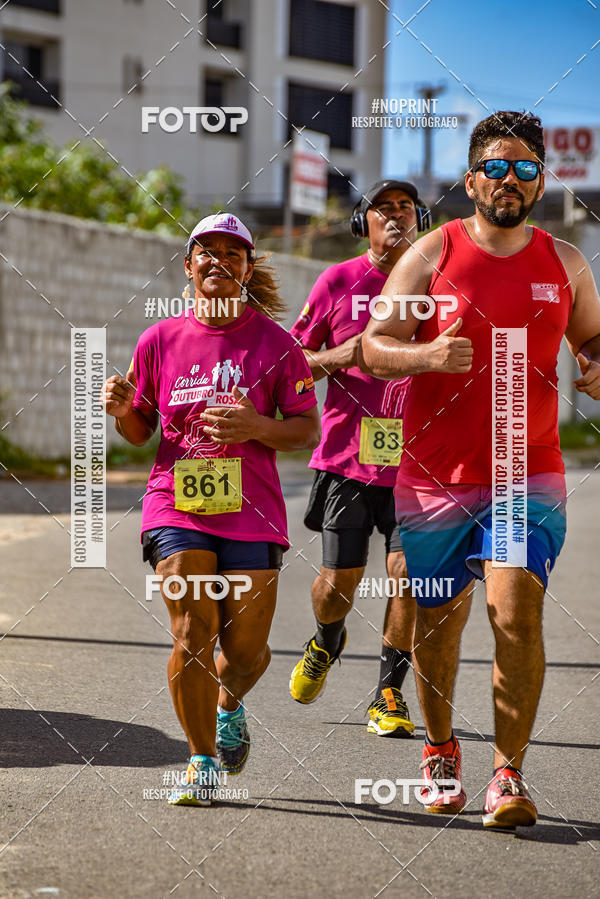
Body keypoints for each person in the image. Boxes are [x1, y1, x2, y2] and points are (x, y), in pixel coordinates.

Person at [361, 111, 600, 827]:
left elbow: (593, 345)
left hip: (528, 474)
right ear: (471, 180)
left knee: (515, 611)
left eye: (525, 168)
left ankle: (508, 774)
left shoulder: (567, 263)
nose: (509, 180)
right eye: (496, 167)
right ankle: (439, 747)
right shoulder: (431, 255)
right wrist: (426, 355)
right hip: (433, 476)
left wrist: (593, 369)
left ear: (539, 182)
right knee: (436, 624)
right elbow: (374, 346)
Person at [101, 213, 320, 805]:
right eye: (207, 251)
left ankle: (229, 704)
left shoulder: (277, 345)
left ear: (248, 268)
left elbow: (306, 430)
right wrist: (122, 409)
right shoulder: (159, 340)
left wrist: (256, 425)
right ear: (189, 265)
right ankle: (200, 759)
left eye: (234, 252)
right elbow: (141, 431)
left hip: (252, 511)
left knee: (244, 652)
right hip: (176, 504)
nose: (219, 260)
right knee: (192, 632)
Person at [288, 180, 431, 738]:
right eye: (382, 208)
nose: (395, 216)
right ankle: (326, 640)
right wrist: (342, 354)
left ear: (419, 218)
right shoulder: (337, 281)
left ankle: (389, 693)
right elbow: (292, 365)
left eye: (405, 208)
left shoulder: (439, 282)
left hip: (419, 462)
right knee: (338, 580)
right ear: (361, 223)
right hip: (347, 458)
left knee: (407, 576)